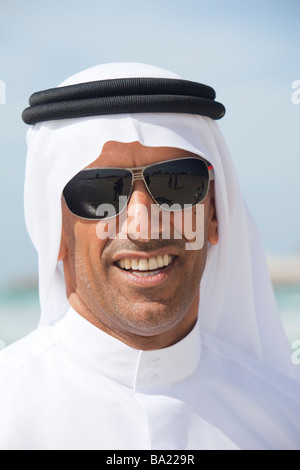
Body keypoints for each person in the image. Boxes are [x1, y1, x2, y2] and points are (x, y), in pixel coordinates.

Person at [0, 62, 299, 450]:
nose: (143, 228)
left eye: (177, 183)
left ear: (214, 214)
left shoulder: (286, 420)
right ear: (54, 229)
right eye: (100, 192)